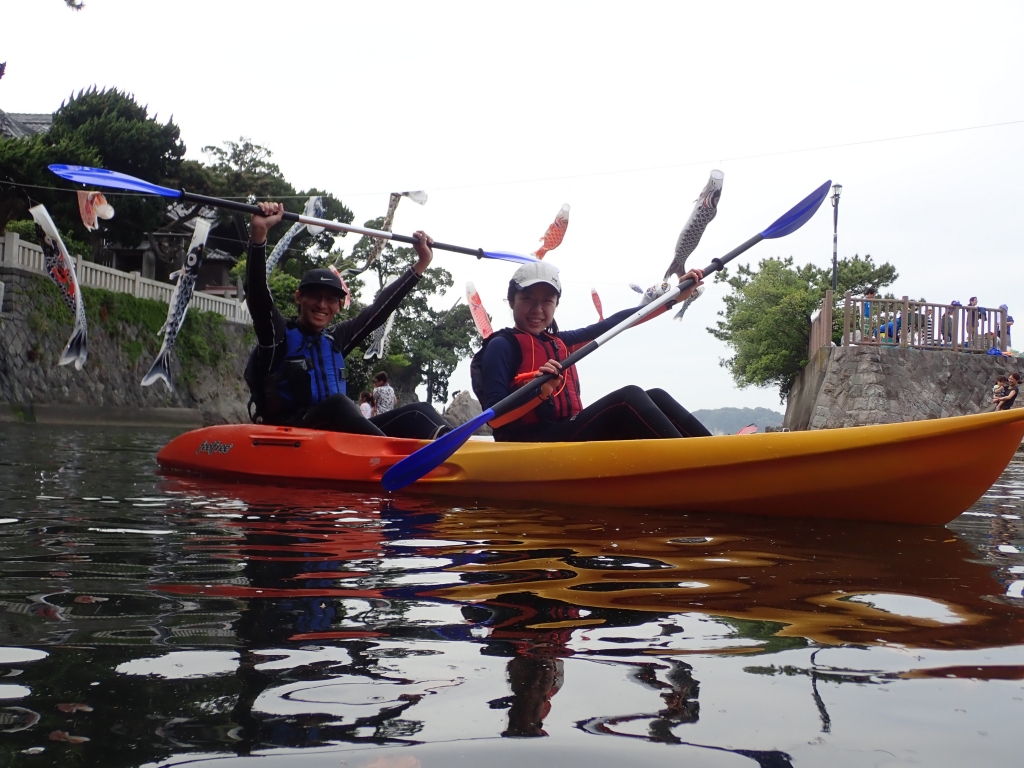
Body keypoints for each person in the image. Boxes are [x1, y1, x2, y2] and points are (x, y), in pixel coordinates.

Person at [243, 202, 451, 440]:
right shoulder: (277, 334)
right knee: (339, 404)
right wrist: (259, 234)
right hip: (293, 433)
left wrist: (420, 264)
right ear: (299, 297)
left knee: (420, 411)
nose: (322, 305)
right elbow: (257, 293)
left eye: (331, 299)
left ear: (338, 306)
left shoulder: (336, 339)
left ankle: (459, 452)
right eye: (315, 297)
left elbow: (378, 311)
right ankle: (389, 455)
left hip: (337, 436)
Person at [472, 261, 711, 442]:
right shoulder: (502, 345)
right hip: (530, 444)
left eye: (547, 301)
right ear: (511, 301)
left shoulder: (560, 343)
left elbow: (618, 322)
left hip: (567, 433)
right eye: (527, 299)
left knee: (656, 395)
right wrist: (540, 392)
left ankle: (711, 451)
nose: (537, 309)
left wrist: (673, 298)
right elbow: (495, 417)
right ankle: (697, 464)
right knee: (629, 397)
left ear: (556, 304)